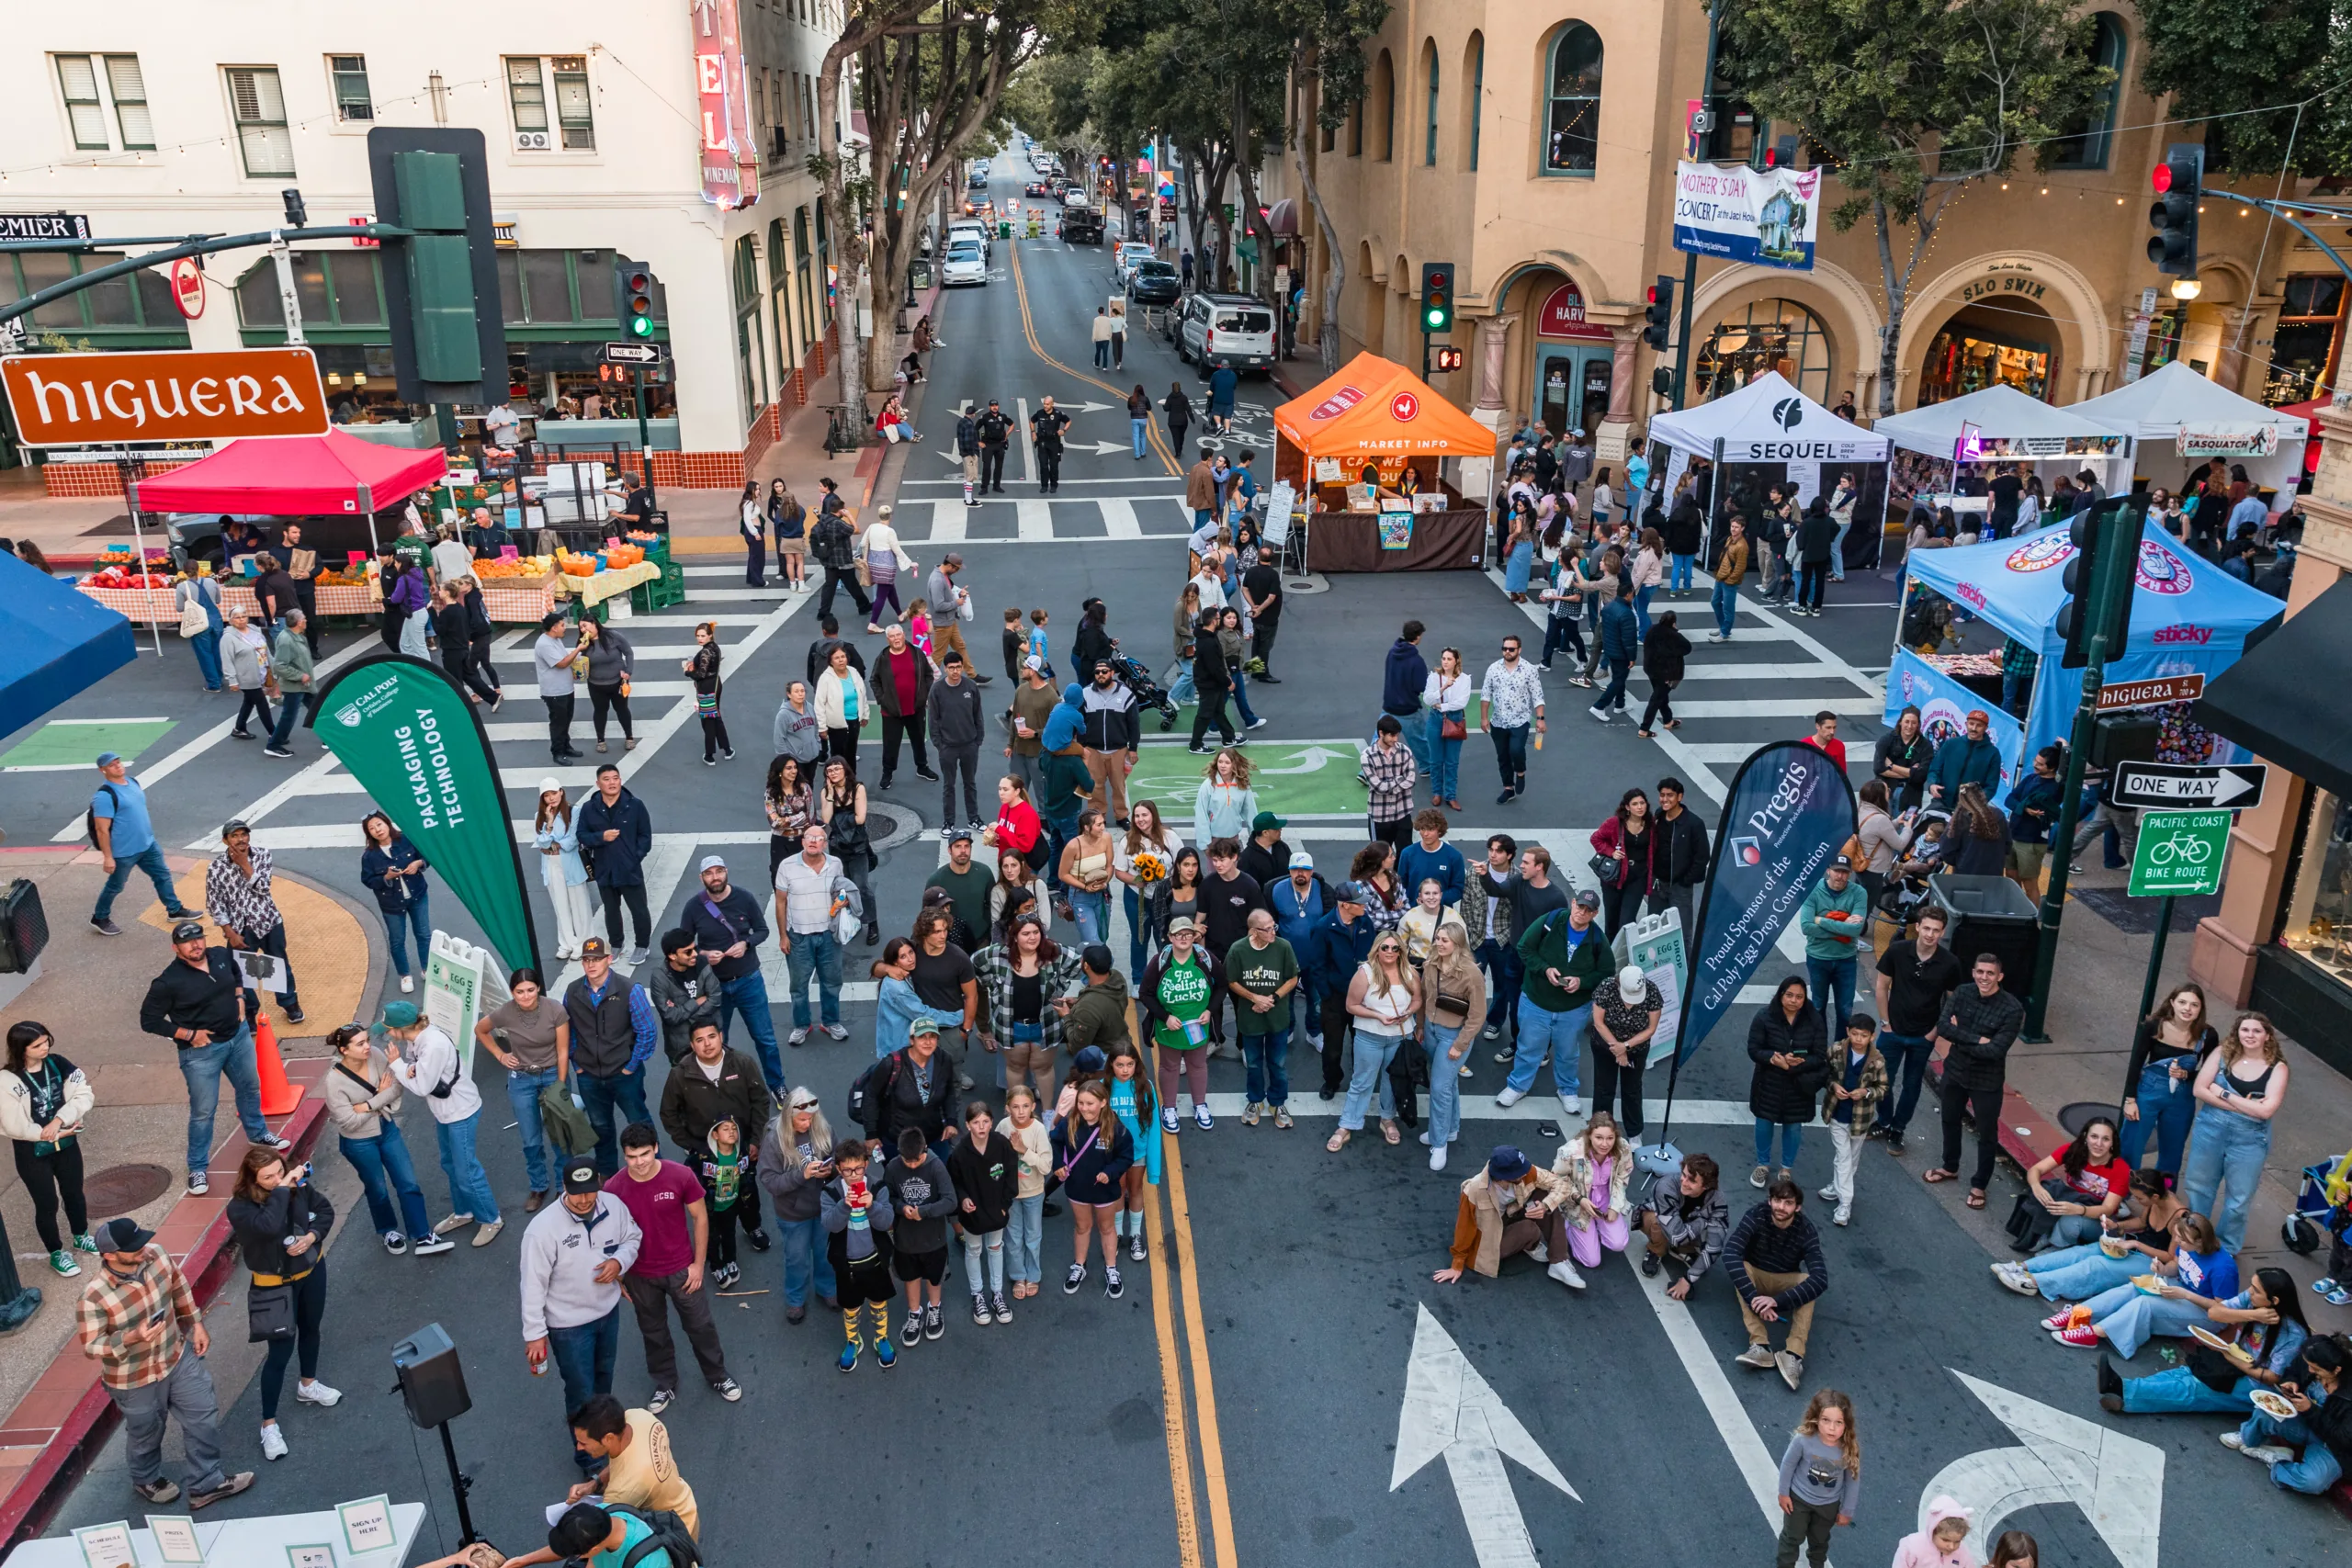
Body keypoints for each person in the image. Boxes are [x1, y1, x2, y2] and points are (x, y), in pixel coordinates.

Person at [75, 1215, 254, 1509]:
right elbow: (92, 1347)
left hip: (175, 1355)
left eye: (142, 1241)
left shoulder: (156, 1254)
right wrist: (131, 1337)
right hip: (134, 1378)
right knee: (147, 1433)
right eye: (134, 1247)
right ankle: (145, 1479)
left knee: (203, 1413)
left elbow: (178, 1286)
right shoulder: (93, 1298)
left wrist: (195, 1323)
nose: (143, 1248)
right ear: (109, 1255)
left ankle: (206, 1483)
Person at [140, 919, 283, 1197]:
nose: (196, 945)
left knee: (250, 1087)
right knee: (204, 1111)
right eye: (188, 942)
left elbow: (237, 973)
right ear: (176, 948)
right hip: (201, 1054)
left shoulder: (219, 954)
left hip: (239, 1037)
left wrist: (240, 998)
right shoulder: (167, 982)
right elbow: (149, 1020)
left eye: (199, 938)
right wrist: (187, 1034)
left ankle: (258, 1132)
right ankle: (197, 1167)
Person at [521, 1156, 642, 1469]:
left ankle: (605, 1442)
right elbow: (532, 1285)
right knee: (581, 1393)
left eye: (591, 1191)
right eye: (577, 1193)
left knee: (603, 1384)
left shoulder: (613, 1206)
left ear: (599, 1185)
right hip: (569, 1328)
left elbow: (633, 1237)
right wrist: (535, 1335)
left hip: (607, 1313)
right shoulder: (542, 1230)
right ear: (564, 1188)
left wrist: (619, 1263)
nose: (585, 1199)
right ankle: (590, 1461)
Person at [607, 1123, 739, 1406]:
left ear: (656, 1148)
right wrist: (619, 1277)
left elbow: (701, 1218)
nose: (639, 1162)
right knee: (653, 1332)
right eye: (631, 1157)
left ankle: (717, 1374)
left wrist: (698, 1265)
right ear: (624, 1155)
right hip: (640, 1276)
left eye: (644, 1154)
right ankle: (665, 1383)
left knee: (701, 1326)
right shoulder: (613, 1188)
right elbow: (609, 1235)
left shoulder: (680, 1175)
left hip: (682, 1270)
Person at [224, 1145, 341, 1461]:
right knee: (279, 1352)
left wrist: (312, 1237)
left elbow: (326, 1211)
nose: (277, 1179)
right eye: (267, 1177)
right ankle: (269, 1424)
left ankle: (308, 1383)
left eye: (279, 1171)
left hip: (312, 1270)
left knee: (312, 1329)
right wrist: (283, 1188)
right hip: (275, 1286)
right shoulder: (240, 1208)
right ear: (251, 1180)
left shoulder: (297, 1187)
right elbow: (269, 1226)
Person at [376, 1001, 503, 1247]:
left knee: (466, 1170)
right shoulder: (419, 1039)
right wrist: (410, 1068)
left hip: (460, 1112)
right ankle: (464, 1212)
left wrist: (399, 1065)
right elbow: (420, 1071)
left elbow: (422, 1086)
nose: (388, 1034)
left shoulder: (432, 1045)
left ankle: (492, 1219)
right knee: (449, 1163)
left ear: (403, 1028)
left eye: (390, 1029)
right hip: (446, 1112)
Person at [658, 1021, 773, 1290]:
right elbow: (668, 1113)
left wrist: (756, 1140)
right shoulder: (681, 1074)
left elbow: (760, 1100)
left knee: (747, 1190)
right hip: (705, 1154)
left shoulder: (742, 1064)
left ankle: (752, 1225)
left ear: (721, 1037)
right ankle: (714, 1252)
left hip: (741, 1147)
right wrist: (690, 1144)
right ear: (692, 1044)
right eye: (700, 1040)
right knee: (709, 1203)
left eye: (712, 1037)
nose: (707, 1043)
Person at [323, 1023, 444, 1257]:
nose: (368, 1046)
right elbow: (347, 1122)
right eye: (360, 1044)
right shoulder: (334, 1082)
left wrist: (368, 1105)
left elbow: (397, 1086)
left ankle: (422, 1234)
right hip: (358, 1142)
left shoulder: (376, 1056)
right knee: (377, 1189)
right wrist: (379, 1096)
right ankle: (388, 1230)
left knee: (408, 1182)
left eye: (367, 1040)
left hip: (387, 1129)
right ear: (344, 1050)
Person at [2049, 1211, 2238, 1355]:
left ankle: (2095, 1333)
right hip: (2183, 1291)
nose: (2178, 1242)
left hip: (2208, 1314)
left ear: (2200, 1242)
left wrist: (2186, 1295)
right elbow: (2177, 1264)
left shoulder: (2224, 1268)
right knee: (2135, 1287)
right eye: (2177, 1236)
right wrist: (2164, 1270)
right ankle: (2079, 1314)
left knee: (2145, 1304)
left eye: (2183, 1239)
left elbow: (2223, 1310)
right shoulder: (2187, 1246)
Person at [2181, 1011, 2290, 1254]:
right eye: (2245, 1030)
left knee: (2238, 1201)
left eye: (2257, 1031)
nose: (2250, 1035)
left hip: (2249, 1140)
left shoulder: (2277, 1068)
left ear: (2267, 1036)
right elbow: (2199, 1089)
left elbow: (2266, 1111)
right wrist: (2247, 1106)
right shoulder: (2221, 1054)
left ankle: (2226, 1248)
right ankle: (2195, 1236)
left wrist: (2222, 1093)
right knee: (2199, 1186)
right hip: (2210, 1129)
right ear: (2237, 1032)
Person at [1925, 953, 2025, 1208]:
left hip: (1987, 1081)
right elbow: (1943, 1027)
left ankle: (1979, 1184)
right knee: (1949, 1119)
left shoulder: (2012, 1009)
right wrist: (1976, 1038)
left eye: (1990, 973)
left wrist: (1959, 1037)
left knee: (1987, 1135)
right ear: (1973, 972)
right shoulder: (1962, 992)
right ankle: (1950, 1166)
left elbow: (1995, 1051)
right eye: (1980, 972)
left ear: (2000, 977)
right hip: (1955, 1071)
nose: (1984, 977)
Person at [2, 1021, 96, 1277]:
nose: (45, 1048)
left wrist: (59, 1122)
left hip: (66, 1143)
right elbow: (13, 1125)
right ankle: (56, 1252)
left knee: (74, 1192)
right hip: (33, 1153)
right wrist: (43, 1134)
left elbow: (83, 1093)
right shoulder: (7, 1080)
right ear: (21, 1049)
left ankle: (81, 1235)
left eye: (46, 1042)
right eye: (37, 1045)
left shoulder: (58, 1063)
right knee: (47, 1203)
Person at [563, 938, 660, 1178]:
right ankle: (607, 1175)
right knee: (600, 1127)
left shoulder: (629, 990)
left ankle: (656, 1169)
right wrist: (578, 1065)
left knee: (639, 1122)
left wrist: (631, 1065)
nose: (591, 964)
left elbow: (647, 1032)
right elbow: (569, 1031)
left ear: (609, 959)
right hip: (589, 1076)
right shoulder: (573, 991)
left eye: (596, 959)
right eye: (586, 960)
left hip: (624, 1074)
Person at [1727, 1179, 1829, 1389]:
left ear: (1797, 1207)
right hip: (1755, 1274)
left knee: (1808, 1282)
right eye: (1777, 1201)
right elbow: (1730, 1253)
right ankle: (1760, 1345)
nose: (1781, 1207)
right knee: (1741, 1268)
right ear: (1770, 1201)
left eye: (1788, 1203)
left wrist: (1775, 1302)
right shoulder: (1756, 1215)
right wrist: (1755, 1300)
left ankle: (1793, 1354)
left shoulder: (1806, 1231)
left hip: (1784, 1281)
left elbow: (1821, 1278)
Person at [200, 818, 301, 1027]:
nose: (240, 840)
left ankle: (289, 1003)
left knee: (279, 964)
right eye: (234, 836)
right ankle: (250, 1011)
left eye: (243, 834)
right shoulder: (216, 867)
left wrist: (245, 865)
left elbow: (263, 888)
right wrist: (230, 933)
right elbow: (214, 903)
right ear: (225, 840)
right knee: (242, 973)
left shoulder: (262, 855)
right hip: (239, 928)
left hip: (269, 922)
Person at [1431, 1145, 1577, 1289]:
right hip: (1490, 1237)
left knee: (1544, 1196)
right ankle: (1529, 1243)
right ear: (1503, 1177)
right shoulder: (1474, 1191)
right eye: (1519, 1173)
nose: (1524, 1174)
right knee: (1530, 1230)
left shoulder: (1525, 1172)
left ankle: (1559, 1260)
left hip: (1510, 1215)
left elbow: (1561, 1185)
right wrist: (1457, 1265)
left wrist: (1545, 1205)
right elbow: (1465, 1227)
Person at [88, 752, 197, 940]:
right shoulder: (104, 796)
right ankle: (100, 917)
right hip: (124, 852)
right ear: (103, 770)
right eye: (112, 765)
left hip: (148, 845)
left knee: (162, 875)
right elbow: (102, 830)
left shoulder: (132, 782)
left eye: (118, 762)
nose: (118, 766)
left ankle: (174, 910)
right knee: (115, 886)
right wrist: (108, 857)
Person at [2120, 981, 2218, 1185]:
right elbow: (2137, 1061)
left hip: (2182, 1096)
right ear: (2172, 1003)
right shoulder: (2154, 1025)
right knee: (2131, 1144)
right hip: (2149, 1089)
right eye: (2182, 1002)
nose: (2187, 1009)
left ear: (2201, 1009)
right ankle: (2121, 1194)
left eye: (2194, 1005)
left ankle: (2162, 1198)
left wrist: (2187, 1075)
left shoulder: (2208, 1035)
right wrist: (2130, 1099)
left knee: (2173, 1151)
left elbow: (2212, 1072)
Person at [773, 824, 863, 1044]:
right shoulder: (786, 866)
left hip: (829, 936)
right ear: (802, 841)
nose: (813, 841)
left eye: (819, 838)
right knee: (799, 986)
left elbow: (840, 891)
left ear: (825, 844)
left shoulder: (836, 864)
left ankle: (830, 1022)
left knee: (832, 982)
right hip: (798, 937)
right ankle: (802, 1025)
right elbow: (780, 901)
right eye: (809, 837)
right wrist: (783, 936)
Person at [759, 1088, 841, 1325]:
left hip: (824, 1206)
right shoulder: (775, 1139)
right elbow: (770, 1181)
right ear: (788, 1116)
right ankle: (795, 1299)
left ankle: (827, 1289)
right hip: (792, 1214)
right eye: (802, 1119)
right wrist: (801, 1175)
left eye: (811, 1117)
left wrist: (831, 1169)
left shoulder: (823, 1128)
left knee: (826, 1253)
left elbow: (838, 1156)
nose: (808, 1123)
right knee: (796, 1258)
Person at [1052, 1075, 1136, 1296]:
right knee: (1082, 1227)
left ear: (1103, 1102)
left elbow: (1126, 1156)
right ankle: (1079, 1266)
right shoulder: (1070, 1121)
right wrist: (1058, 1164)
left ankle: (1111, 1268)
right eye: (1081, 1103)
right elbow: (1054, 1141)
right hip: (1077, 1186)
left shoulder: (1116, 1128)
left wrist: (1110, 1173)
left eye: (1090, 1103)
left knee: (1107, 1228)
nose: (1084, 1108)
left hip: (1105, 1190)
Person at [1748, 977, 1827, 1189]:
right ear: (1781, 995)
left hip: (1799, 1085)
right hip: (1768, 1082)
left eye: (1799, 997)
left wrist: (1794, 1064)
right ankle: (1762, 1165)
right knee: (1764, 1123)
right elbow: (1754, 1049)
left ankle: (1786, 1169)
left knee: (1793, 1128)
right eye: (1789, 995)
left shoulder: (1814, 1019)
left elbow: (1820, 1056)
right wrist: (1773, 1058)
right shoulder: (1764, 1017)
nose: (1794, 1000)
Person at [2009, 1117, 2129, 1251]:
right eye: (2094, 1136)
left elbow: (2108, 1209)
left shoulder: (2121, 1169)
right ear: (2085, 1137)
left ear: (2112, 1143)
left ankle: (2058, 1246)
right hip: (2072, 1201)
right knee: (2046, 1192)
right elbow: (2035, 1170)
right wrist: (2037, 1187)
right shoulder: (2073, 1150)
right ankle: (2045, 1234)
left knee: (2070, 1218)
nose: (2099, 1143)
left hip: (2099, 1220)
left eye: (2106, 1139)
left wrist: (2079, 1210)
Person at [948, 1100, 1019, 1325]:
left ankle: (997, 1294)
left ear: (992, 1123)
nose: (981, 1127)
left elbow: (1010, 1176)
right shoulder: (960, 1153)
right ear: (967, 1125)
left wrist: (1005, 1204)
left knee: (996, 1248)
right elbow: (954, 1182)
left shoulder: (1002, 1145)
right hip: (973, 1213)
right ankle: (977, 1294)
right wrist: (963, 1199)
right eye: (976, 1122)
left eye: (985, 1121)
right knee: (974, 1249)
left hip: (996, 1209)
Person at [1773, 1388, 1860, 1568]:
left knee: (1820, 1541)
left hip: (1828, 1505)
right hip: (1798, 1500)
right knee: (1792, 1538)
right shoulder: (1803, 1440)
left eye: (1839, 1422)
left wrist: (1847, 1510)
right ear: (1815, 1418)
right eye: (1826, 1420)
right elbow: (1788, 1465)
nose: (1832, 1428)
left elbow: (1852, 1479)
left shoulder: (1848, 1447)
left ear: (1847, 1424)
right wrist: (1783, 1493)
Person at [578, 765, 655, 964]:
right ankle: (616, 944)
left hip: (629, 869)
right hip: (604, 868)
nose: (612, 783)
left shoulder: (635, 805)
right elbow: (582, 835)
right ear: (598, 783)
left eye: (615, 778)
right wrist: (601, 837)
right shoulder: (589, 808)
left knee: (639, 909)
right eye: (607, 779)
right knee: (611, 910)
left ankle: (642, 945)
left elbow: (645, 836)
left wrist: (634, 857)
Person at [1817, 1015, 1889, 1228]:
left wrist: (1866, 1092)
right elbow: (1824, 1074)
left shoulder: (1878, 1061)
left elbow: (1883, 1089)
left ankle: (1836, 1186)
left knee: (1851, 1159)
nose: (1858, 1039)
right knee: (1843, 1156)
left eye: (1864, 1035)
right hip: (1837, 1114)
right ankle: (1845, 1203)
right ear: (1848, 1032)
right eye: (1855, 1034)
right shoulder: (1836, 1050)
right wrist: (1833, 1087)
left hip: (1860, 1120)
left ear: (1872, 1036)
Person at [356, 811, 434, 994]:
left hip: (417, 895)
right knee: (397, 940)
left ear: (387, 823)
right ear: (369, 834)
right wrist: (386, 877)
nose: (377, 830)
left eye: (379, 825)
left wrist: (418, 864)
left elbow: (427, 857)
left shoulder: (406, 840)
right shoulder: (369, 856)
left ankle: (426, 968)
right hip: (391, 903)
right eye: (372, 828)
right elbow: (368, 881)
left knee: (423, 934)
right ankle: (405, 975)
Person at [1637, 1153, 1729, 1298]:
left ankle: (1683, 1250)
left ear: (1705, 1186)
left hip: (1685, 1227)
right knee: (1657, 1222)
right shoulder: (1665, 1186)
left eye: (1692, 1180)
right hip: (1660, 1223)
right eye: (1684, 1174)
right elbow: (1676, 1236)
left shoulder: (1718, 1199)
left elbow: (1715, 1247)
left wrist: (1688, 1279)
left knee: (1709, 1236)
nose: (1684, 1182)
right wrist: (1705, 1220)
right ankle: (1656, 1250)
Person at [1798, 857, 1869, 1034]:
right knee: (1818, 1006)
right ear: (1828, 870)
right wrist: (1844, 925)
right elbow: (1807, 927)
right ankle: (1819, 1048)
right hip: (1818, 958)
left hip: (1846, 960)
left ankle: (1840, 1051)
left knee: (1845, 1010)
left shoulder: (1859, 893)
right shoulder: (1812, 891)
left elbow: (1856, 929)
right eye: (1837, 871)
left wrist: (1821, 920)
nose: (1840, 876)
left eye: (1845, 872)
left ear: (1850, 874)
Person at [534, 783, 595, 963]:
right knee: (560, 906)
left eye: (554, 793)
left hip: (571, 863)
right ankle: (567, 944)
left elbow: (573, 840)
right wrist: (550, 824)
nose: (551, 798)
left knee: (580, 905)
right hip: (551, 865)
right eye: (547, 795)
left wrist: (553, 845)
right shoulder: (540, 816)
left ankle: (584, 942)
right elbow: (542, 843)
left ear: (561, 792)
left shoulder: (573, 812)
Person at [1481, 632, 1545, 804]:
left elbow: (1537, 696)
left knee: (1516, 750)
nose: (1507, 652)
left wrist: (1540, 718)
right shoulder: (1493, 669)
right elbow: (1486, 695)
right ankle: (1508, 788)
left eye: (1511, 649)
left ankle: (1521, 772)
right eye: (1504, 649)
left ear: (1519, 649)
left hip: (1520, 720)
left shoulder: (1529, 670)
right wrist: (1484, 718)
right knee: (1502, 755)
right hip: (1498, 721)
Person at [1589, 787, 1657, 938]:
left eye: (1642, 803)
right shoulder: (1614, 823)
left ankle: (1626, 957)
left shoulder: (1650, 824)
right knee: (1612, 921)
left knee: (1627, 922)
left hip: (1638, 877)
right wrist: (1611, 852)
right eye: (1635, 804)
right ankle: (1610, 956)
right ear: (1627, 807)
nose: (1639, 807)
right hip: (1614, 877)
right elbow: (1596, 839)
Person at [261, 609, 315, 758]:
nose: (306, 620)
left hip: (303, 685)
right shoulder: (287, 640)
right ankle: (274, 744)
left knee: (317, 709)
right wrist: (300, 676)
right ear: (298, 622)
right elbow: (280, 666)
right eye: (304, 619)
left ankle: (329, 738)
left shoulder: (296, 636)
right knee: (289, 716)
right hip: (295, 685)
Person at [1924, 708, 2001, 809]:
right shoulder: (1951, 744)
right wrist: (1932, 784)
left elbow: (1991, 786)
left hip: (1970, 809)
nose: (1974, 728)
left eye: (1979, 725)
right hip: (1941, 801)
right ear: (1966, 724)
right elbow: (1934, 769)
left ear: (1986, 728)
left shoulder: (1993, 753)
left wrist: (1977, 802)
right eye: (1971, 724)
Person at [580, 619, 638, 755]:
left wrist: (628, 672)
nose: (583, 630)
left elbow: (628, 652)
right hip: (596, 684)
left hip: (618, 682)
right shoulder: (583, 642)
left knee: (622, 709)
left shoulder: (613, 636)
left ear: (594, 624)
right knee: (600, 711)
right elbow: (582, 661)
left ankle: (629, 737)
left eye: (585, 625)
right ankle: (601, 740)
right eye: (581, 627)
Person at [534, 611, 582, 764]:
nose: (564, 628)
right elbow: (561, 663)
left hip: (566, 688)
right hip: (554, 691)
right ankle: (558, 752)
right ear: (554, 628)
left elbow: (563, 658)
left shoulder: (555, 640)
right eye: (562, 625)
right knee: (558, 722)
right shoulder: (544, 644)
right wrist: (578, 650)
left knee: (566, 719)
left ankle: (566, 746)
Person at [1874, 705, 1934, 814]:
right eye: (1907, 722)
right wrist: (1910, 773)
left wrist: (1892, 766)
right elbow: (1879, 769)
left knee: (1905, 828)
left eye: (1914, 723)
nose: (1910, 726)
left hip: (1911, 795)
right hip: (1885, 790)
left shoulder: (1926, 746)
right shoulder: (1886, 740)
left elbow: (1921, 776)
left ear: (1918, 725)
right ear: (1900, 722)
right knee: (1882, 826)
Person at [1890, 1498, 1972, 1568]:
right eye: (1945, 1540)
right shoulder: (1911, 1546)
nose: (1951, 1546)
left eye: (1957, 1541)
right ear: (1933, 1532)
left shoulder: (1963, 1553)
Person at [1710, 517, 1749, 642]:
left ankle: (1725, 633)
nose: (1733, 529)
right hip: (1721, 577)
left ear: (1742, 528)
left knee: (1728, 609)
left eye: (1736, 527)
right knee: (1715, 602)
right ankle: (1723, 627)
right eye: (1732, 526)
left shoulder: (1742, 546)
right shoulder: (1729, 539)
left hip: (1729, 581)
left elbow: (1740, 567)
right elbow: (1723, 557)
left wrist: (1730, 580)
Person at [1031, 396, 1070, 491]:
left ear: (1052, 404)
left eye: (1047, 404)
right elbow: (1032, 421)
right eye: (1044, 404)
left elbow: (1068, 421)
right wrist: (1033, 432)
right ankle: (1044, 485)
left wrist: (1064, 430)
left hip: (1054, 443)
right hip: (1042, 443)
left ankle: (1053, 485)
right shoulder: (1039, 413)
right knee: (1043, 465)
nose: (1045, 406)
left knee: (1054, 465)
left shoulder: (1058, 414)